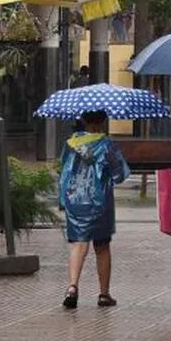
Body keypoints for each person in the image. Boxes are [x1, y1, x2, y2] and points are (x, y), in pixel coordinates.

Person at [59, 110, 130, 309]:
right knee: (102, 247)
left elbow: (64, 169)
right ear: (104, 121)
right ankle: (104, 294)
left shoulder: (71, 144)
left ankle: (72, 287)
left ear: (83, 120)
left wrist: (63, 198)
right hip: (100, 201)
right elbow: (120, 174)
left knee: (78, 245)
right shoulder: (107, 145)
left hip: (75, 200)